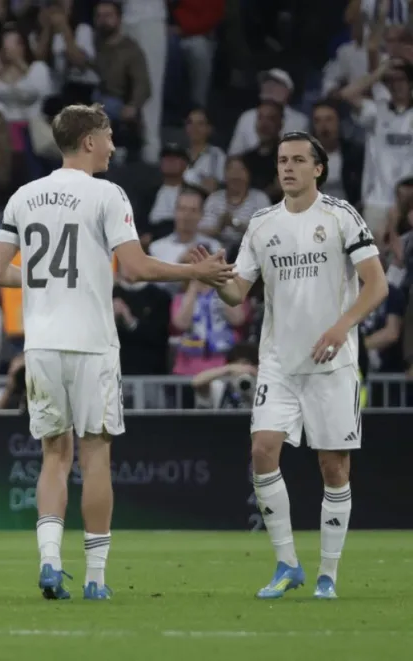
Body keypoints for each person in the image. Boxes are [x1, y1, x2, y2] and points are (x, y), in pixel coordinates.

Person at [0, 103, 234, 601]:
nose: (115, 146)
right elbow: (137, 270)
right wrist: (195, 274)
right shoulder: (107, 194)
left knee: (53, 456)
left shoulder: (24, 196)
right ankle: (96, 577)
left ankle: (50, 562)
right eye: (110, 136)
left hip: (42, 346)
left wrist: (40, 281)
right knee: (96, 457)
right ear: (91, 140)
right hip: (92, 345)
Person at [197, 131, 388, 600]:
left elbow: (376, 284)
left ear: (318, 168)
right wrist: (213, 280)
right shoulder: (262, 224)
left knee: (333, 467)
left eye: (299, 160)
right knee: (262, 450)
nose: (288, 167)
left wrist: (341, 327)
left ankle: (328, 573)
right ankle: (287, 565)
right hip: (279, 361)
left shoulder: (340, 216)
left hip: (332, 360)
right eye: (283, 159)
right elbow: (238, 293)